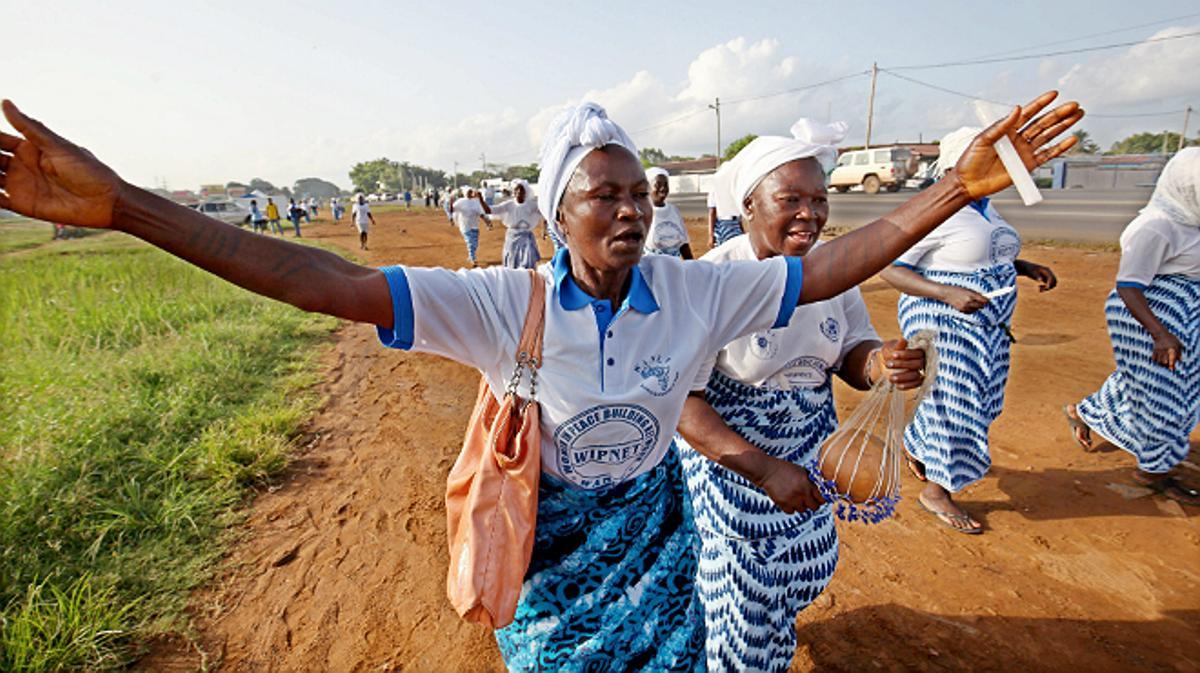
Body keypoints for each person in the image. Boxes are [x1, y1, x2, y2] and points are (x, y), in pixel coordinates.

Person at [0, 94, 1081, 671]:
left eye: (637, 192)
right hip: (554, 551)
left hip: (656, 541)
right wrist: (131, 207)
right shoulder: (501, 302)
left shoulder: (692, 291)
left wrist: (951, 189)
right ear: (557, 213)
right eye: (600, 194)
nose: (627, 209)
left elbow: (836, 265)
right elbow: (317, 280)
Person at [675, 119, 927, 672]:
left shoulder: (833, 273)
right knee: (742, 592)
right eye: (790, 199)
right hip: (733, 461)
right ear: (748, 205)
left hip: (812, 447)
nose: (810, 213)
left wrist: (880, 362)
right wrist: (763, 470)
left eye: (819, 198)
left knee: (805, 566)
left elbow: (851, 354)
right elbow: (682, 404)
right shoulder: (712, 279)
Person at [879, 126, 1061, 534]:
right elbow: (889, 266)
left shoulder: (984, 207)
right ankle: (937, 490)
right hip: (943, 321)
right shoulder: (935, 211)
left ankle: (918, 446)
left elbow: (972, 255)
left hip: (988, 323)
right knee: (958, 403)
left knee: (980, 400)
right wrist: (946, 293)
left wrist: (1023, 266)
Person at [1065, 148, 1200, 505]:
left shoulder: (1192, 219)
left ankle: (1084, 411)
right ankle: (1153, 472)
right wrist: (1159, 334)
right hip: (1148, 316)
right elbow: (1129, 286)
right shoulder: (1156, 226)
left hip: (1184, 314)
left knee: (1155, 384)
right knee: (1165, 397)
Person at [486, 179, 543, 269]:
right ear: (514, 192)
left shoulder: (531, 205)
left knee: (527, 261)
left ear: (525, 193)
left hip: (526, 237)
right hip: (512, 237)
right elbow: (490, 210)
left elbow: (543, 211)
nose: (519, 192)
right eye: (517, 190)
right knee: (512, 260)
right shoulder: (509, 204)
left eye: (522, 190)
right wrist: (480, 200)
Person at [643, 167, 692, 259]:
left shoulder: (673, 211)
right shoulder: (643, 212)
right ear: (648, 188)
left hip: (674, 268)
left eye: (666, 185)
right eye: (657, 185)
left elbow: (683, 244)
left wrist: (692, 266)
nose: (663, 189)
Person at [707, 164, 744, 247]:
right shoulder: (716, 189)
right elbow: (712, 212)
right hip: (723, 224)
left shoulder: (734, 189)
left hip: (732, 224)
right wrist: (710, 235)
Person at [450, 188, 489, 266]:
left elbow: (481, 213)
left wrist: (487, 222)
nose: (470, 193)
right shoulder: (460, 201)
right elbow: (452, 210)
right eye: (468, 192)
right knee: (470, 241)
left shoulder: (476, 202)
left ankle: (471, 255)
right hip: (465, 225)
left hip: (474, 225)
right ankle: (472, 258)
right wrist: (451, 202)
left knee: (475, 243)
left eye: (471, 192)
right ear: (465, 193)